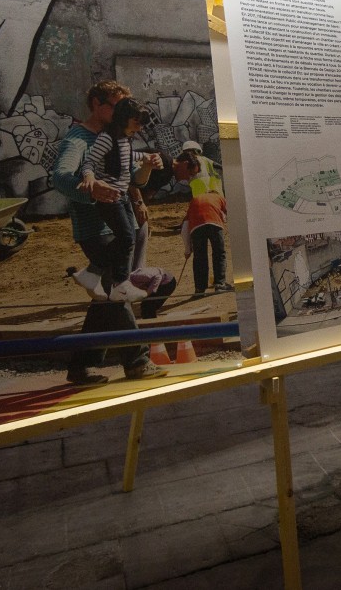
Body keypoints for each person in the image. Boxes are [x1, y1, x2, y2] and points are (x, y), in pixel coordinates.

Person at [51, 79, 165, 386]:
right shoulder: (79, 139)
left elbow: (131, 181)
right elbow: (60, 177)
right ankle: (137, 361)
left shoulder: (112, 136)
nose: (122, 112)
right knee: (118, 292)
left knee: (105, 297)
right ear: (96, 105)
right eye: (115, 106)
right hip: (96, 228)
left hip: (117, 222)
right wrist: (92, 191)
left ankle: (81, 366)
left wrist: (148, 168)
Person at [77, 97, 152, 303]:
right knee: (126, 238)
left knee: (131, 238)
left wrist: (145, 158)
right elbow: (89, 162)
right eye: (136, 122)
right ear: (124, 118)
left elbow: (127, 155)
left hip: (123, 196)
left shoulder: (124, 140)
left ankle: (93, 273)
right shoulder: (106, 138)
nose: (139, 127)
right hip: (109, 198)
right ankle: (119, 284)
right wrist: (90, 178)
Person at [175, 144, 231, 298]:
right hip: (215, 204)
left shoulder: (187, 166)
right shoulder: (205, 160)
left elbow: (185, 226)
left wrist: (187, 249)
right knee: (219, 252)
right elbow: (220, 167)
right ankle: (220, 283)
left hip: (197, 208)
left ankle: (200, 289)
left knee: (200, 255)